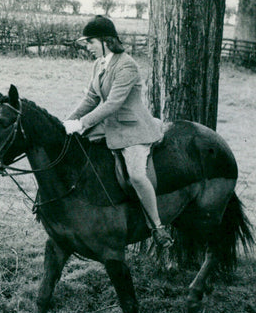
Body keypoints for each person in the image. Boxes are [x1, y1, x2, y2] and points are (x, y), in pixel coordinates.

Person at [62, 15, 173, 250]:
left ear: (105, 40)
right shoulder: (99, 64)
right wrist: (68, 122)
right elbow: (91, 98)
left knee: (136, 175)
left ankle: (157, 227)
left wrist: (82, 123)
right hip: (109, 125)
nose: (88, 47)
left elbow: (112, 104)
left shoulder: (127, 65)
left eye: (90, 42)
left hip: (133, 129)